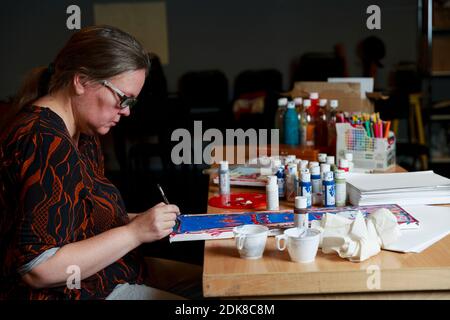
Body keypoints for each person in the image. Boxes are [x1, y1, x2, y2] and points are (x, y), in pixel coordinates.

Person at [0, 25, 201, 300]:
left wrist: (142, 222)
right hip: (68, 292)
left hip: (107, 273)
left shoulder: (83, 132)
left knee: (215, 286)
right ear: (81, 81)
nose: (127, 111)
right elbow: (39, 269)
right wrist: (135, 233)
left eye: (132, 102)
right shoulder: (42, 141)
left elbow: (81, 221)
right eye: (123, 98)